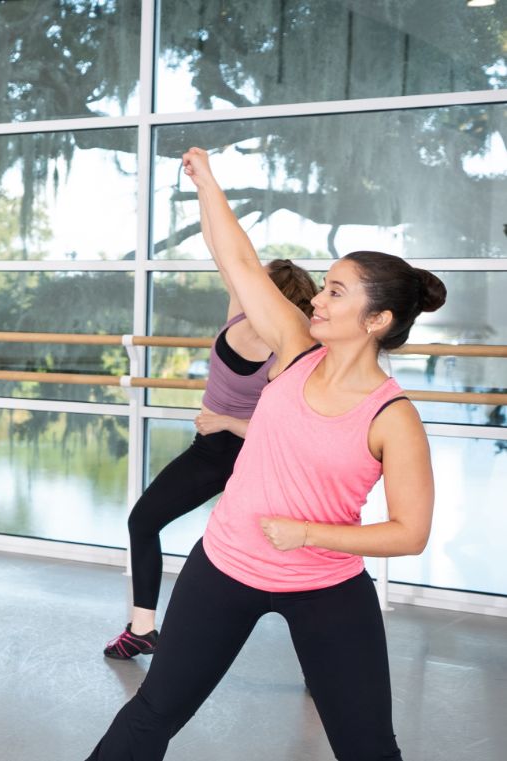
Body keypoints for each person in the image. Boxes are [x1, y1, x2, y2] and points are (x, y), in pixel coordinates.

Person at [87, 147, 445, 761]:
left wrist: (309, 533)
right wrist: (207, 185)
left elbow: (410, 532)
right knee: (152, 714)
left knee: (367, 746)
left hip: (326, 586)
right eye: (323, 289)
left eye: (335, 293)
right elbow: (241, 263)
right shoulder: (295, 349)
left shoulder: (394, 417)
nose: (318, 301)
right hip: (225, 566)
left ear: (378, 319)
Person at [104, 257, 318, 659]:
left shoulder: (292, 349)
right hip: (211, 452)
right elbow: (227, 255)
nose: (246, 290)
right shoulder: (238, 314)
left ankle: (319, 660)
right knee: (144, 521)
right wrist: (206, 192)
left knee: (291, 558)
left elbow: (285, 430)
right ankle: (142, 629)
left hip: (258, 456)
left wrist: (226, 421)